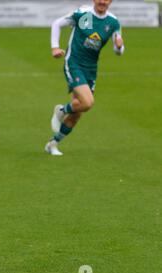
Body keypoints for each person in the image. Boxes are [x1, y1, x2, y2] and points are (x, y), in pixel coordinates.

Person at [45, 0, 124, 156]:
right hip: (74, 62)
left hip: (91, 69)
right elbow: (57, 23)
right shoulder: (83, 14)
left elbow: (118, 51)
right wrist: (55, 47)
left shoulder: (113, 22)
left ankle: (52, 144)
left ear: (110, 1)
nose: (102, 2)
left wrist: (119, 46)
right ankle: (61, 110)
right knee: (87, 103)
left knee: (77, 114)